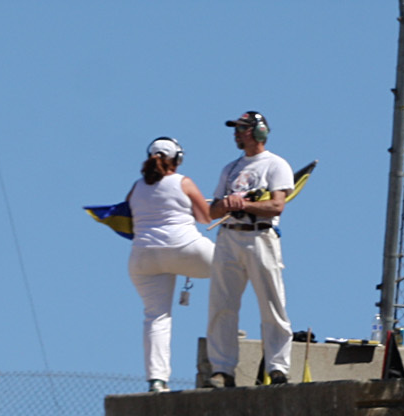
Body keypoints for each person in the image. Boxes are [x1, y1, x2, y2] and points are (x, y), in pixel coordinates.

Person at [206, 111, 295, 388]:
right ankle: (222, 370)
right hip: (229, 236)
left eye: (243, 129)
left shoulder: (275, 165)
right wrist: (229, 205)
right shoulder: (229, 169)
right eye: (236, 128)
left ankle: (278, 367)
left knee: (272, 305)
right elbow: (213, 210)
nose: (236, 133)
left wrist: (243, 205)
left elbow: (277, 205)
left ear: (259, 133)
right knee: (222, 306)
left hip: (260, 236)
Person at [124, 137, 216, 393]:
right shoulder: (183, 182)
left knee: (156, 317)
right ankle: (223, 360)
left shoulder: (136, 187)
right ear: (178, 159)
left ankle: (157, 380)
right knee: (234, 266)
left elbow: (130, 218)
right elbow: (206, 217)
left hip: (143, 257)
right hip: (184, 249)